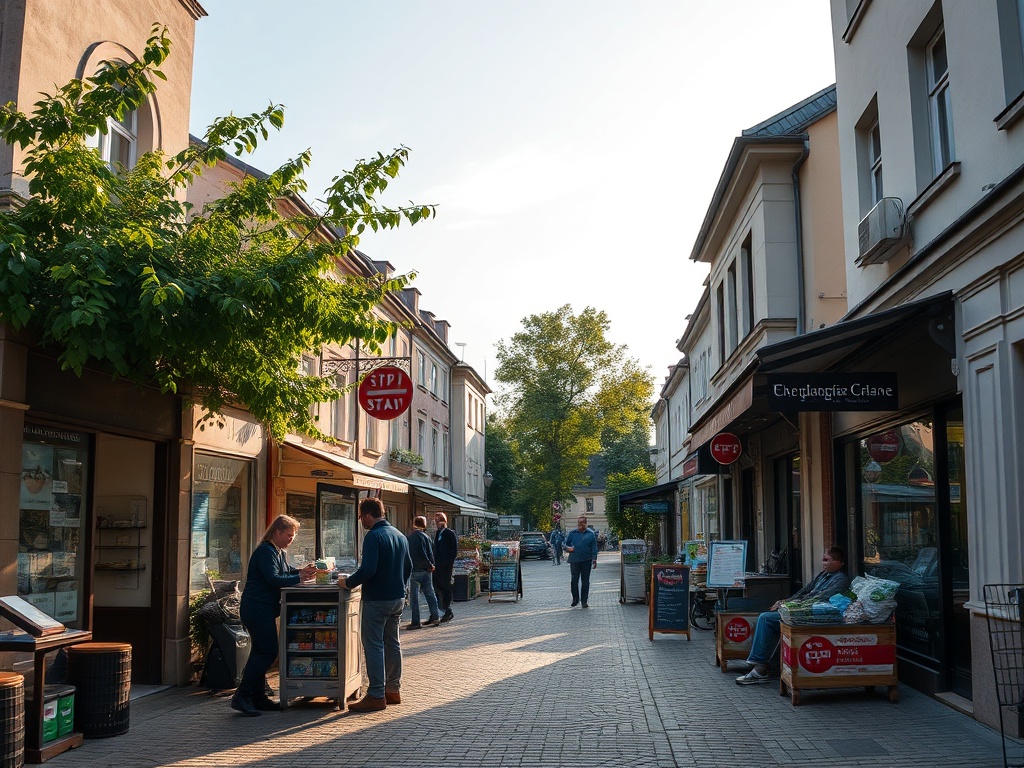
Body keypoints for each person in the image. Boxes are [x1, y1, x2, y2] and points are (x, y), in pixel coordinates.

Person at [231, 515, 317, 717]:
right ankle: (242, 695)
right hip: (256, 609)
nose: (291, 540)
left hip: (263, 609)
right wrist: (299, 577)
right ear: (277, 532)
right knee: (268, 651)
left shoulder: (277, 551)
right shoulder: (265, 551)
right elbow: (273, 579)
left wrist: (302, 572)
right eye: (288, 535)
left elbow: (285, 571)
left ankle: (258, 697)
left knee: (260, 651)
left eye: (293, 537)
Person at [735, 546, 850, 685]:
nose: (823, 563)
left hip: (812, 614)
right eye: (823, 560)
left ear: (838, 562)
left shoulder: (840, 579)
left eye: (827, 560)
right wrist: (786, 602)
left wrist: (791, 606)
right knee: (770, 615)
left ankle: (759, 664)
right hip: (801, 609)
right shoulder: (822, 576)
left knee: (766, 619)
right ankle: (762, 663)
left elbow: (820, 598)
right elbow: (804, 591)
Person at [340, 497, 413, 711]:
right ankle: (393, 690)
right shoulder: (399, 535)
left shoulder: (373, 536)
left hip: (377, 599)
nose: (361, 520)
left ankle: (376, 694)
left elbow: (368, 570)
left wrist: (347, 582)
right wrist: (400, 585)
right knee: (393, 643)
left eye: (361, 516)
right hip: (397, 597)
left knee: (373, 644)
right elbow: (407, 566)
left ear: (369, 515)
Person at [405, 515, 441, 629]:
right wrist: (431, 565)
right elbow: (431, 552)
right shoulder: (426, 536)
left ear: (414, 523)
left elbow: (418, 554)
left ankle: (416, 622)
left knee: (414, 598)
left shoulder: (412, 537)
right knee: (430, 594)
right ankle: (436, 616)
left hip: (415, 570)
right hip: (427, 571)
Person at [563, 515, 599, 608]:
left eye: (582, 522)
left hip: (586, 560)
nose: (579, 524)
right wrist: (567, 548)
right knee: (574, 581)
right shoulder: (572, 533)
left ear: (585, 523)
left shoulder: (590, 534)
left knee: (585, 581)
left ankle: (584, 601)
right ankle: (575, 599)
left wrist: (594, 559)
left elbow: (594, 548)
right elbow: (565, 544)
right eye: (578, 522)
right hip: (574, 560)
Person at [432, 511, 458, 623]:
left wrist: (448, 563)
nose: (437, 523)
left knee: (445, 587)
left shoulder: (449, 533)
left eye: (439, 520)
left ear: (444, 521)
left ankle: (448, 610)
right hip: (437, 565)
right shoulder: (438, 533)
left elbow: (453, 550)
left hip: (446, 566)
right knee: (437, 586)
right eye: (436, 520)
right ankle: (441, 609)